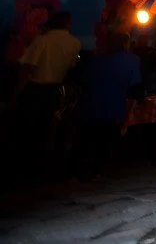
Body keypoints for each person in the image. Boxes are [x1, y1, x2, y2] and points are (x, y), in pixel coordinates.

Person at [13, 11, 81, 158]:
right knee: (47, 128)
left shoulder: (41, 40)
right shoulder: (75, 43)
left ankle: (24, 161)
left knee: (28, 128)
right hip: (56, 91)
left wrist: (18, 91)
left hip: (35, 90)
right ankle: (42, 162)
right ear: (67, 24)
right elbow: (73, 66)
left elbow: (28, 67)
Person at [77, 32, 141, 178]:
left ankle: (77, 172)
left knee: (85, 139)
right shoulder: (132, 60)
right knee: (104, 141)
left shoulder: (95, 60)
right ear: (125, 43)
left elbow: (83, 80)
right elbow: (135, 83)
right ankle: (97, 171)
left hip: (90, 104)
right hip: (113, 105)